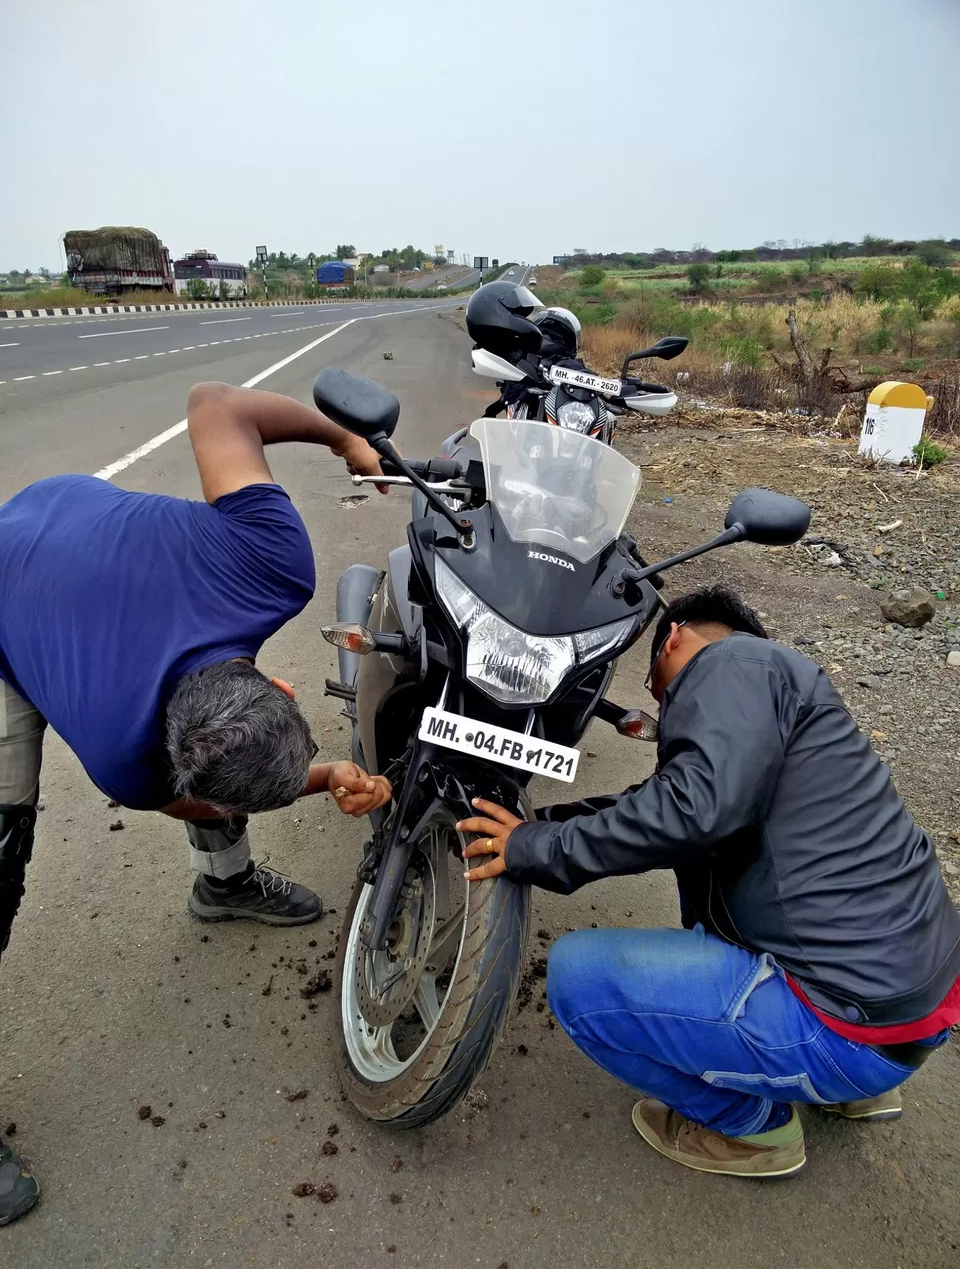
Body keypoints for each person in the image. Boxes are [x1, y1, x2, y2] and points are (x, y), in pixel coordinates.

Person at [0, 381, 394, 1224]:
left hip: (68, 513)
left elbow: (216, 402)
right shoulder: (123, 760)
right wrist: (324, 780)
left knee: (236, 767)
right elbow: (200, 799)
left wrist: (341, 441)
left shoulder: (269, 562)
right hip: (10, 601)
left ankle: (223, 889)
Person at [457, 586, 960, 1179]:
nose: (666, 711)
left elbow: (692, 811)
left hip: (843, 1027)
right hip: (913, 1011)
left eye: (660, 692)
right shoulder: (785, 699)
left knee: (579, 980)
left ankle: (755, 1129)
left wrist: (537, 848)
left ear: (675, 637)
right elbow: (657, 806)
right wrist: (535, 830)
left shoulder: (730, 661)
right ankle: (849, 1090)